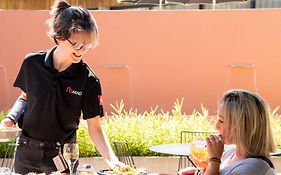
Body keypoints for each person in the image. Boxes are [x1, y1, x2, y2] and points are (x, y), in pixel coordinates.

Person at [0, 0, 122, 174]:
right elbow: (25, 97)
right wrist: (11, 117)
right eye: (76, 44)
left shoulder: (89, 80)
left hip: (63, 155)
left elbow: (95, 128)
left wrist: (113, 161)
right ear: (59, 36)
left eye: (86, 45)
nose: (81, 50)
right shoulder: (32, 63)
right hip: (26, 152)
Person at [179, 89, 276, 175]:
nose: (216, 126)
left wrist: (214, 161)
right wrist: (205, 166)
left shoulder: (254, 168)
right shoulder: (230, 153)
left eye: (221, 121)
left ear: (241, 126)